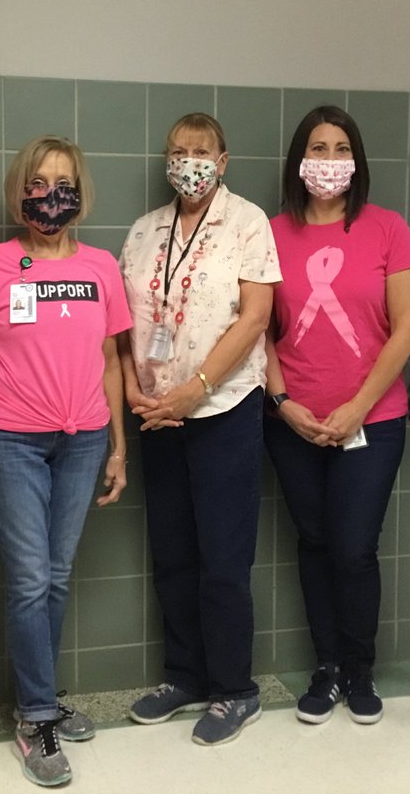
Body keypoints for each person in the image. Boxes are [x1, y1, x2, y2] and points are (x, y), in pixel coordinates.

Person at [0, 135, 129, 788]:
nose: (50, 193)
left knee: (53, 578)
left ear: (80, 191)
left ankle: (40, 701)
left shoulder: (102, 266)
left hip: (83, 441)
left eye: (63, 181)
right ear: (20, 190)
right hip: (9, 441)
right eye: (38, 181)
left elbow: (112, 359)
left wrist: (119, 447)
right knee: (29, 580)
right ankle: (35, 717)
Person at [119, 112, 280, 746]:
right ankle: (183, 676)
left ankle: (235, 689)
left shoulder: (247, 222)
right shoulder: (145, 230)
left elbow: (255, 317)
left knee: (223, 556)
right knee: (173, 552)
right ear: (166, 158)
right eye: (179, 151)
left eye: (202, 151)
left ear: (223, 159)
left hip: (222, 410)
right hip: (157, 415)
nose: (190, 160)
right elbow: (124, 319)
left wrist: (196, 390)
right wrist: (137, 388)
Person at [263, 106, 410, 726]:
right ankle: (326, 667)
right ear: (298, 160)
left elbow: (406, 327)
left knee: (354, 549)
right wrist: (283, 404)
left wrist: (357, 408)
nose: (327, 160)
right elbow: (258, 331)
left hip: (373, 422)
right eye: (316, 147)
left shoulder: (387, 230)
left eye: (338, 148)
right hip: (293, 421)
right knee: (314, 541)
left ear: (355, 161)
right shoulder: (271, 233)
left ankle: (360, 668)